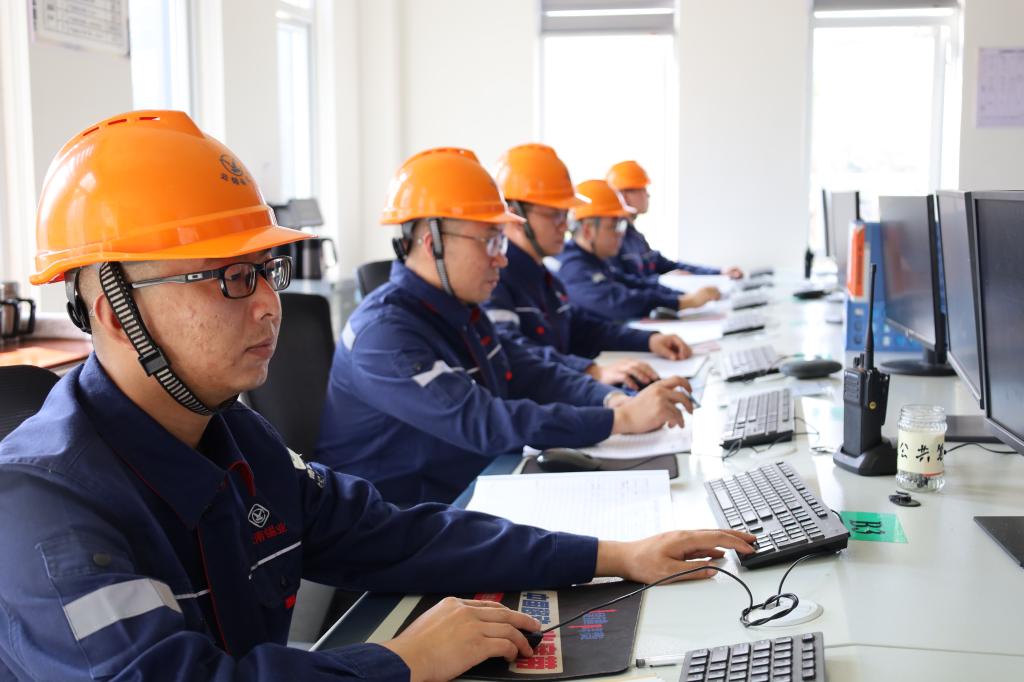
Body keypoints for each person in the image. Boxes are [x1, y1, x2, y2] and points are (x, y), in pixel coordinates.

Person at [0, 111, 755, 682]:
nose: (267, 306)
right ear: (112, 307)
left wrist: (615, 555)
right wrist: (400, 662)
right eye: (229, 277)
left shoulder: (238, 442)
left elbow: (402, 535)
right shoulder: (41, 506)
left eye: (267, 270)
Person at [314, 148, 695, 507]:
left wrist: (608, 399)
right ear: (432, 245)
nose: (502, 258)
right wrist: (619, 421)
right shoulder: (384, 335)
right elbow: (483, 422)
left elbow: (527, 371)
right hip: (402, 522)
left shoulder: (458, 309)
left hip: (468, 491)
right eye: (490, 241)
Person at [485, 143, 694, 391]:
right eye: (555, 214)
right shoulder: (495, 279)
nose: (565, 226)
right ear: (515, 215)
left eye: (566, 214)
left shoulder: (542, 274)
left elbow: (580, 327)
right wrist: (592, 372)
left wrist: (649, 340)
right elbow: (514, 352)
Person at [556, 179, 721, 321]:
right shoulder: (572, 266)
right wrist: (683, 302)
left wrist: (682, 295)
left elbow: (635, 284)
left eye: (621, 225)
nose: (621, 233)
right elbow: (618, 303)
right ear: (587, 231)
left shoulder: (594, 260)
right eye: (614, 226)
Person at [606, 160, 743, 281]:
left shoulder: (636, 239)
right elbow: (622, 284)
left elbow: (668, 266)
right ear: (623, 196)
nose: (647, 194)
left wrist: (719, 272)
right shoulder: (613, 240)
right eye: (642, 189)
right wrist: (662, 280)